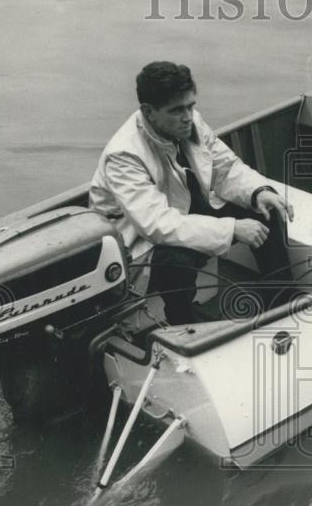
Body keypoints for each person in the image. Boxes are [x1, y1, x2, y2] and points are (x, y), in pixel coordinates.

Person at [89, 61, 294, 325]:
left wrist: (259, 191)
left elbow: (226, 168)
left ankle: (283, 303)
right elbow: (158, 225)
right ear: (148, 112)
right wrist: (232, 229)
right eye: (176, 110)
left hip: (178, 210)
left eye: (190, 106)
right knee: (177, 260)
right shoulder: (123, 155)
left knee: (263, 210)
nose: (187, 116)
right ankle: (184, 324)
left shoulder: (189, 123)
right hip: (138, 242)